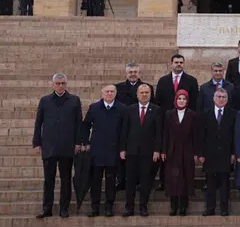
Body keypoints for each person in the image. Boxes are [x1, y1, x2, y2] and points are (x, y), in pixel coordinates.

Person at [32, 73, 82, 219]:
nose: (61, 86)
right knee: (49, 179)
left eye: (63, 83)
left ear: (66, 84)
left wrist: (78, 142)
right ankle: (47, 207)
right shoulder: (45, 100)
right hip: (49, 145)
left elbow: (79, 123)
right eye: (58, 83)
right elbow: (38, 122)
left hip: (67, 145)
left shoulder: (74, 100)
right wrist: (37, 142)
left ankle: (64, 208)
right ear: (53, 84)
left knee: (66, 179)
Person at [154, 54, 198, 191]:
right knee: (166, 152)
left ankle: (185, 184)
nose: (178, 64)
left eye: (181, 62)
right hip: (167, 121)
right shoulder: (163, 81)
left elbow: (195, 102)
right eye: (176, 62)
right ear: (171, 64)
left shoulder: (191, 80)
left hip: (186, 121)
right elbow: (158, 102)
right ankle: (163, 181)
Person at [81, 84, 124, 218]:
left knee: (111, 181)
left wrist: (123, 148)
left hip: (113, 150)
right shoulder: (94, 108)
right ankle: (95, 207)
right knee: (96, 180)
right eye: (107, 91)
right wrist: (86, 143)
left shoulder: (122, 109)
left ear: (115, 94)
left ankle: (109, 206)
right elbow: (85, 126)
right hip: (97, 150)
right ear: (102, 93)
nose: (109, 93)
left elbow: (125, 131)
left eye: (112, 91)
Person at [119, 84, 161, 217]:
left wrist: (157, 150)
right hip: (131, 151)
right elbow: (124, 130)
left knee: (145, 180)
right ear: (137, 94)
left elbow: (159, 132)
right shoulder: (129, 110)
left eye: (146, 92)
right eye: (141, 92)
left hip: (148, 152)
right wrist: (122, 148)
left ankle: (143, 206)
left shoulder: (156, 110)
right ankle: (129, 207)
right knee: (130, 180)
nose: (144, 95)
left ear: (150, 94)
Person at [161, 90, 199, 216]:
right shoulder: (169, 114)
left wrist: (195, 152)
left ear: (187, 101)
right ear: (175, 100)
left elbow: (195, 135)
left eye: (184, 98)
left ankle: (183, 206)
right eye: (179, 98)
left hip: (187, 151)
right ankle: (173, 206)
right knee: (173, 179)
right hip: (172, 150)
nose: (181, 101)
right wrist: (163, 150)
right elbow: (165, 133)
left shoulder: (192, 115)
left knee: (186, 178)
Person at [200, 88, 236, 216]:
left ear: (227, 100)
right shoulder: (205, 113)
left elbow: (234, 135)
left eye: (224, 97)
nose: (221, 99)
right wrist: (201, 153)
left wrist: (233, 153)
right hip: (210, 155)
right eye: (219, 97)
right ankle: (210, 208)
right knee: (210, 184)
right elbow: (201, 136)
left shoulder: (232, 114)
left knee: (225, 184)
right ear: (214, 98)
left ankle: (224, 209)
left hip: (226, 154)